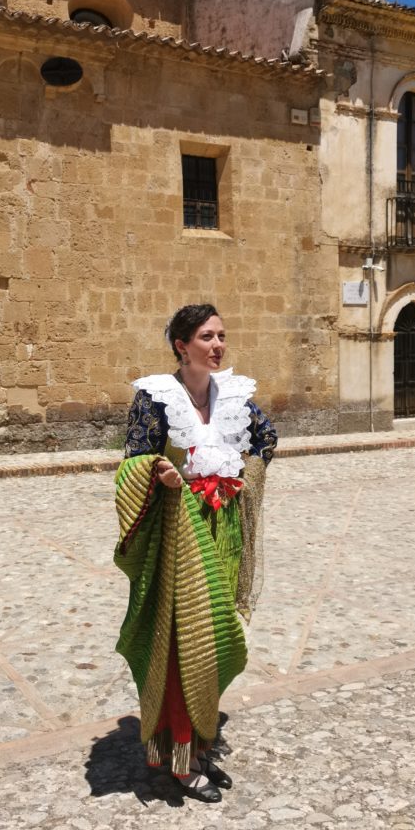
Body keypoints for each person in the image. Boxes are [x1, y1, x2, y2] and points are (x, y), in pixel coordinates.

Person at [113, 303, 277, 803]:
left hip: (224, 532)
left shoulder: (235, 396)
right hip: (180, 536)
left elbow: (266, 441)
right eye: (207, 336)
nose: (218, 345)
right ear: (182, 346)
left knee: (218, 637)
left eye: (222, 335)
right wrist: (164, 477)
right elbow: (131, 463)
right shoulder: (155, 398)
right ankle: (181, 761)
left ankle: (199, 744)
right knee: (186, 645)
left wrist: (238, 482)